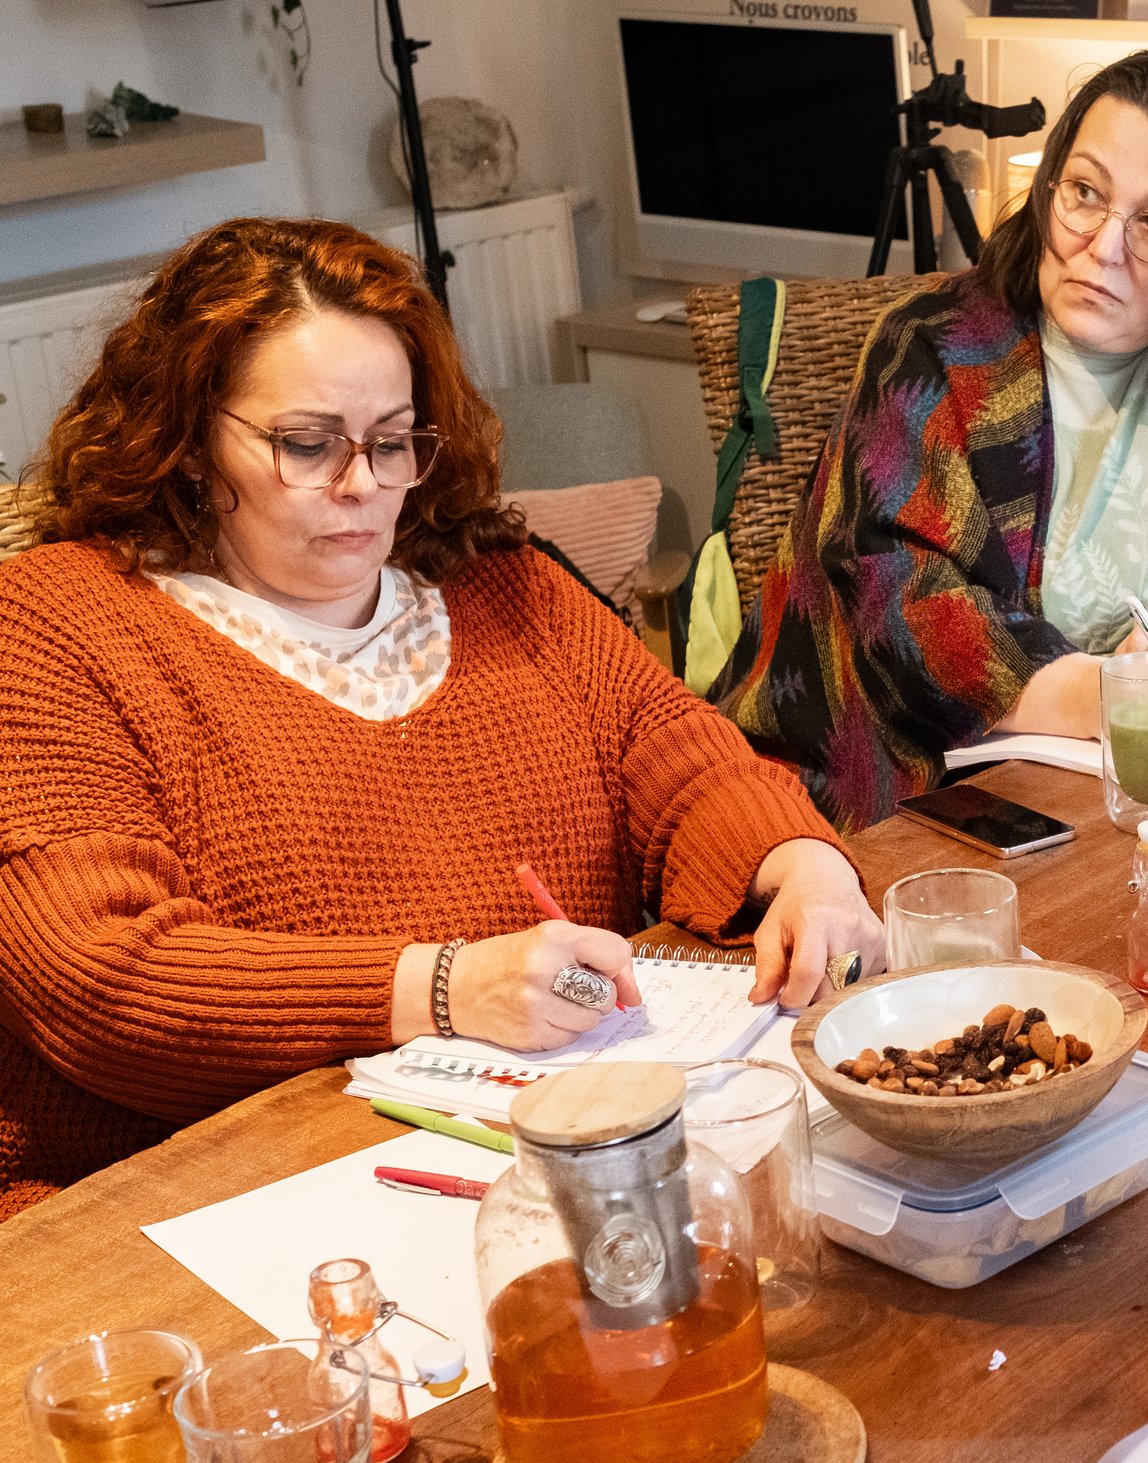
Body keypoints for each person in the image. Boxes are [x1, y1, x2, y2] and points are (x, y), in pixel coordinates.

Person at [0, 218, 885, 1219]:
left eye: (391, 441)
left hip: (516, 1167)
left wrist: (802, 863)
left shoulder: (497, 582)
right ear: (193, 436)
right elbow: (100, 978)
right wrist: (438, 986)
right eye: (306, 444)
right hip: (188, 1207)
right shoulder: (55, 623)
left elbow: (681, 760)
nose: (362, 485)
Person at [714, 51, 1148, 831]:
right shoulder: (935, 351)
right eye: (1085, 194)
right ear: (1049, 186)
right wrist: (1100, 695)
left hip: (1125, 809)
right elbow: (897, 606)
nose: (1102, 247)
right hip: (874, 805)